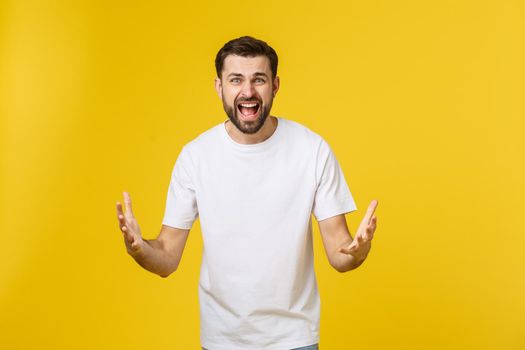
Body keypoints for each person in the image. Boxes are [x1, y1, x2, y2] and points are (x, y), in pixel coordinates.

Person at [116, 36, 378, 350]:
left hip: (293, 339)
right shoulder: (196, 156)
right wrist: (140, 249)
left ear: (276, 85)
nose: (248, 91)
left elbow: (339, 251)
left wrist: (357, 253)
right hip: (222, 340)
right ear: (219, 87)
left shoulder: (312, 150)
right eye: (236, 79)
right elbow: (167, 258)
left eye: (259, 79)